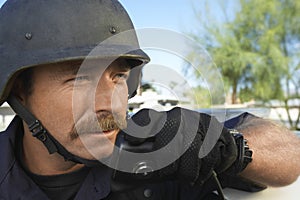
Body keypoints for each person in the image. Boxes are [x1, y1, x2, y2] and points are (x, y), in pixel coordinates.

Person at [0, 0, 299, 199]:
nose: (110, 103)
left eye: (118, 77)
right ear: (18, 92)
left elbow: (290, 154)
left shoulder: (158, 155)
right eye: (79, 80)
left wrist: (224, 149)